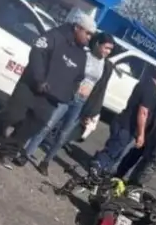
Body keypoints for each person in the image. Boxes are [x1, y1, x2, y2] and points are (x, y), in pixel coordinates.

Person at [0, 11, 93, 168]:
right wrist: (39, 79)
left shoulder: (82, 55)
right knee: (13, 115)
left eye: (91, 35)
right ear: (77, 28)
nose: (89, 37)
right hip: (31, 86)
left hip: (52, 97)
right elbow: (37, 53)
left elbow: (78, 77)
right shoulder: (55, 36)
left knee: (32, 126)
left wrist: (68, 93)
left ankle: (7, 152)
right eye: (87, 33)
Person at [25, 32, 116, 176]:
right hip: (67, 96)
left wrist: (92, 111)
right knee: (47, 125)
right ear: (98, 44)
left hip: (81, 103)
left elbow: (100, 90)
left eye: (110, 49)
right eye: (106, 48)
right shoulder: (84, 55)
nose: (108, 52)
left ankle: (46, 161)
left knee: (63, 135)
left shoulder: (107, 66)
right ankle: (27, 152)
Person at [91, 65, 156, 176]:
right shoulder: (150, 91)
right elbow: (143, 113)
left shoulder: (144, 84)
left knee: (115, 152)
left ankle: (101, 172)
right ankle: (96, 168)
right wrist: (141, 135)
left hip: (123, 123)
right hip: (126, 126)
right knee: (112, 151)